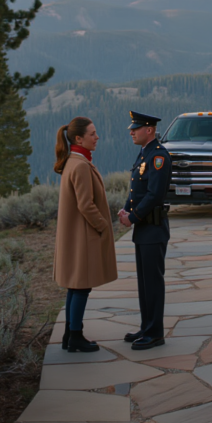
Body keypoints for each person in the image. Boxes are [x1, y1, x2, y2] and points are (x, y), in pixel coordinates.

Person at [53, 116, 118, 353]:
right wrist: (103, 226)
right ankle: (75, 337)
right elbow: (86, 205)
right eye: (92, 133)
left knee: (76, 286)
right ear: (79, 138)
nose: (97, 137)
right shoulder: (80, 165)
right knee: (81, 287)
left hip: (77, 237)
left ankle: (70, 336)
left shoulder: (74, 161)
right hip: (82, 238)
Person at [118, 110, 172, 350]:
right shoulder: (144, 155)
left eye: (136, 128)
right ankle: (146, 326)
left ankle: (155, 333)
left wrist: (134, 217)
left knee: (152, 282)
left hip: (152, 226)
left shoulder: (158, 156)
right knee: (144, 283)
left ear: (149, 130)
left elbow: (154, 194)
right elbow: (136, 190)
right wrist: (126, 210)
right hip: (144, 229)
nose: (131, 131)